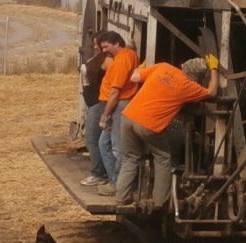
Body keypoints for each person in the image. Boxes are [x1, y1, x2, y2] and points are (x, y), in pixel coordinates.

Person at [116, 55, 220, 209]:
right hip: (147, 124)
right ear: (197, 78)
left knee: (130, 158)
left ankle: (122, 198)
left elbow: (135, 77)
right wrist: (214, 69)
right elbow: (212, 92)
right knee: (163, 157)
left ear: (183, 65)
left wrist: (143, 66)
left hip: (128, 116)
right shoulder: (188, 87)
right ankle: (160, 201)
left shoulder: (163, 67)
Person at [94, 31, 139, 195]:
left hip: (118, 106)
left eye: (106, 46)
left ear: (117, 43)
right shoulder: (128, 54)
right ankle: (115, 181)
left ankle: (118, 185)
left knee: (117, 147)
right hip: (119, 104)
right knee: (103, 143)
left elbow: (115, 92)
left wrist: (105, 115)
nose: (104, 50)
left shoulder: (122, 61)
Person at [78, 36, 109, 183]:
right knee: (96, 140)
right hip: (93, 103)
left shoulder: (106, 60)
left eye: (99, 44)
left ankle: (98, 173)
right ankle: (100, 171)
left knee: (92, 139)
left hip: (98, 103)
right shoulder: (97, 58)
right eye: (95, 44)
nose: (96, 46)